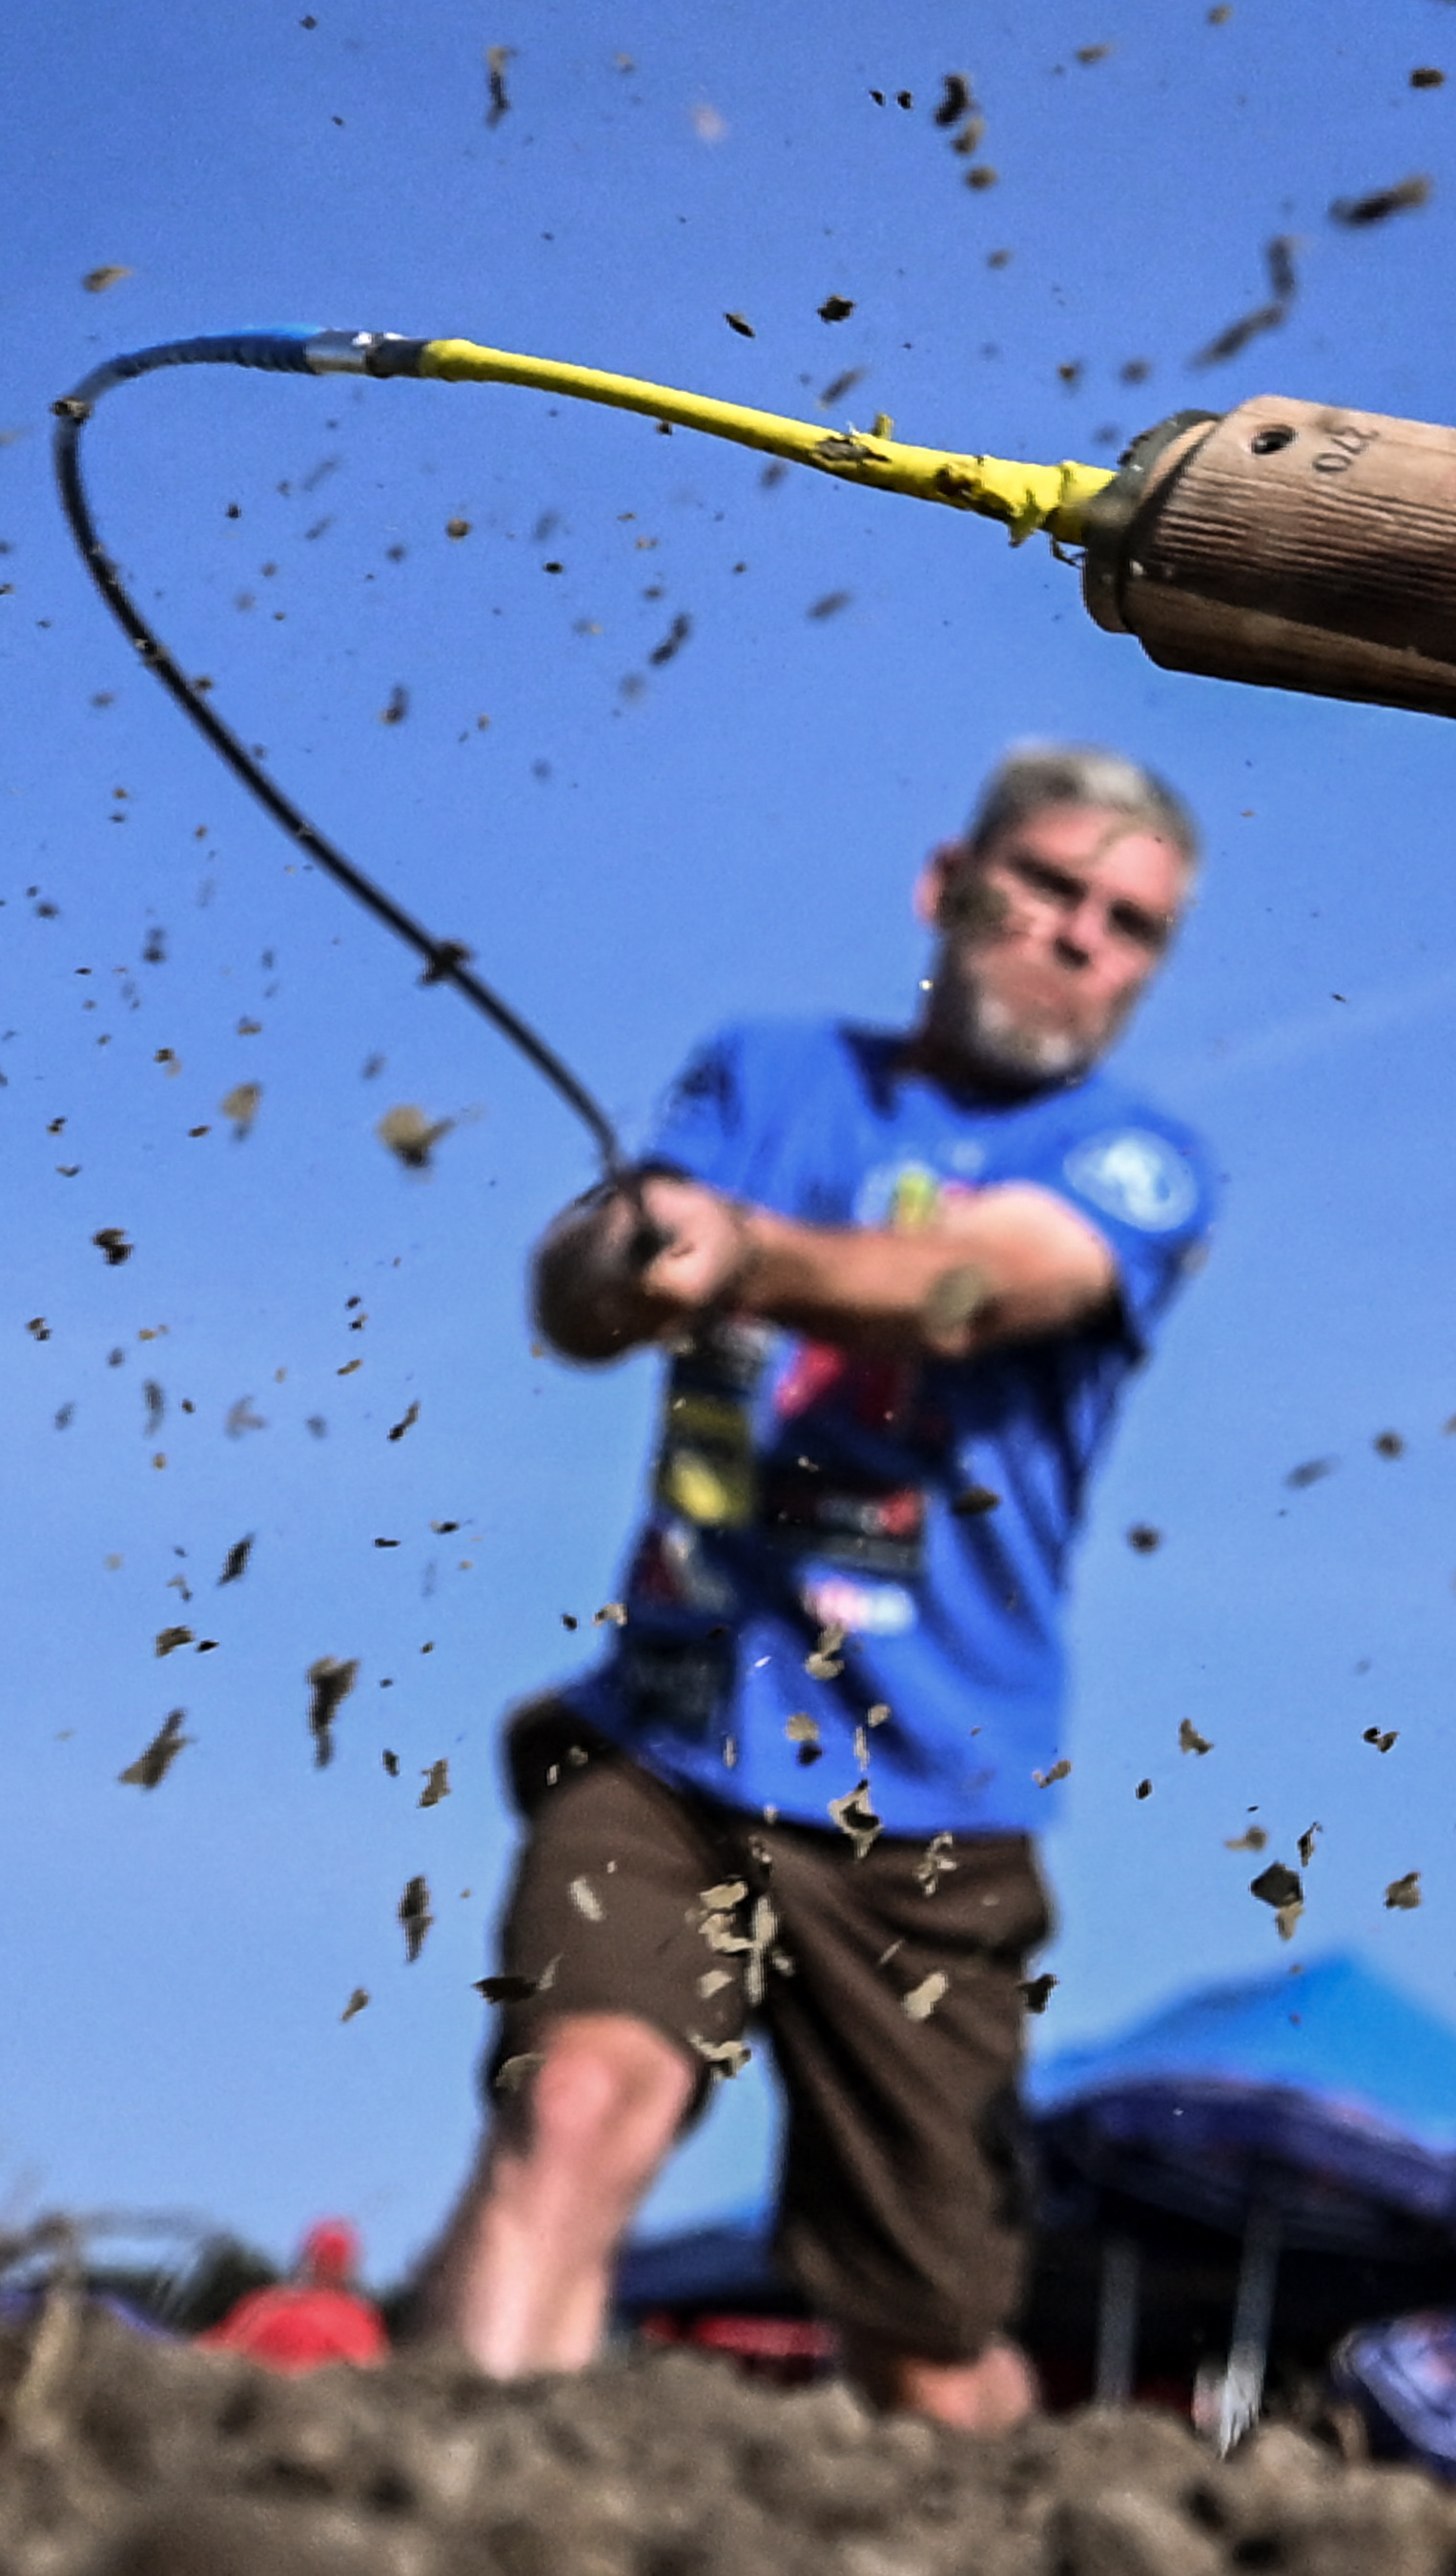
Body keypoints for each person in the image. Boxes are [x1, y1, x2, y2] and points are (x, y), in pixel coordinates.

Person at [410, 743, 1218, 2428]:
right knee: (578, 2111)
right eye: (1052, 887)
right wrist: (623, 1252)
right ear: (950, 882)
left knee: (926, 2339)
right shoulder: (766, 1073)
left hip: (924, 1803)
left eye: (1129, 924)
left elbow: (973, 1284)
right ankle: (452, 2521)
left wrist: (755, 1254)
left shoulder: (1139, 1165)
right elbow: (577, 1293)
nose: (1081, 940)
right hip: (672, 1731)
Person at [200, 2218, 389, 2372]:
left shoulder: (263, 2308)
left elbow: (213, 2355)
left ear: (307, 2259)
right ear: (350, 2267)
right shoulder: (362, 2321)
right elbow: (372, 2373)